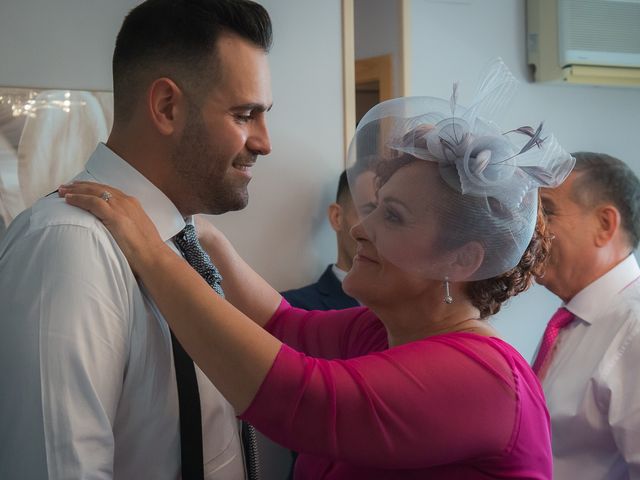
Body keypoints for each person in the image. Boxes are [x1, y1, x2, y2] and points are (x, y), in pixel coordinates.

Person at [59, 60, 573, 479]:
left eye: (392, 217)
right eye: (374, 208)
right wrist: (194, 230)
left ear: (463, 259)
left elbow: (297, 398)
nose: (360, 230)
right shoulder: (383, 331)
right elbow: (281, 325)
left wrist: (149, 251)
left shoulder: (484, 379)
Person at [0, 0, 272, 478]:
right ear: (167, 107)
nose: (265, 142)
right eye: (245, 114)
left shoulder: (184, 242)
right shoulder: (69, 246)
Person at [533, 152, 640, 479]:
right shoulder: (571, 322)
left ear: (605, 225)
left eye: (547, 212)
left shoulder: (634, 331)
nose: (533, 229)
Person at [281, 169, 376, 310]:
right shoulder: (292, 309)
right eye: (369, 213)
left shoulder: (414, 308)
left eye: (392, 216)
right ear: (337, 217)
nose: (383, 231)